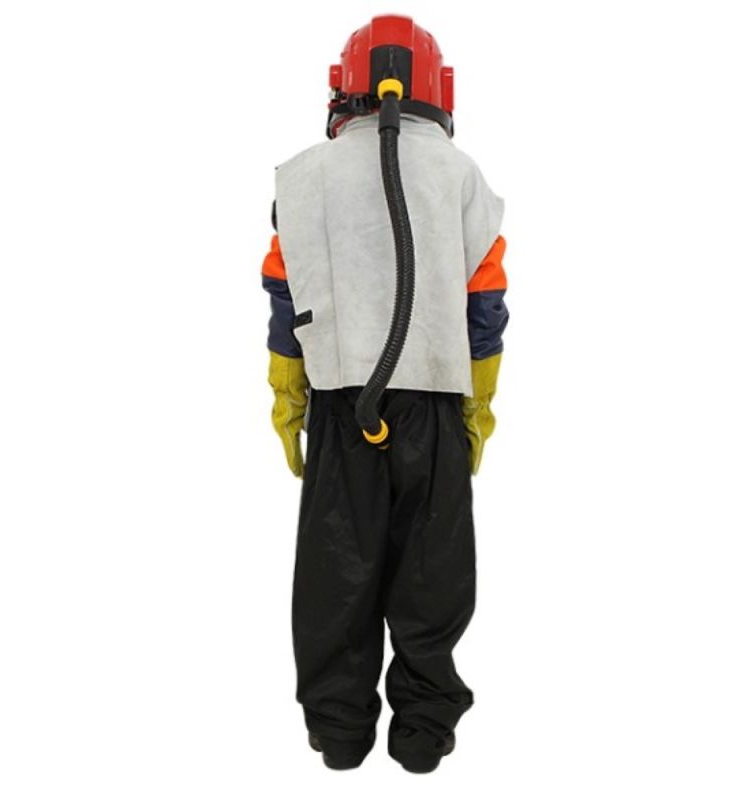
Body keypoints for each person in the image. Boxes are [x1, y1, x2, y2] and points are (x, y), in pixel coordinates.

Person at [261, 14, 509, 774]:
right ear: (437, 94)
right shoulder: (461, 177)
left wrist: (289, 395)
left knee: (336, 571)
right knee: (434, 572)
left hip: (341, 403)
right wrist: (477, 406)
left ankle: (339, 733)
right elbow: (485, 306)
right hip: (433, 402)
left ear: (343, 93)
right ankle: (423, 734)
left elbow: (284, 293)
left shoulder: (305, 176)